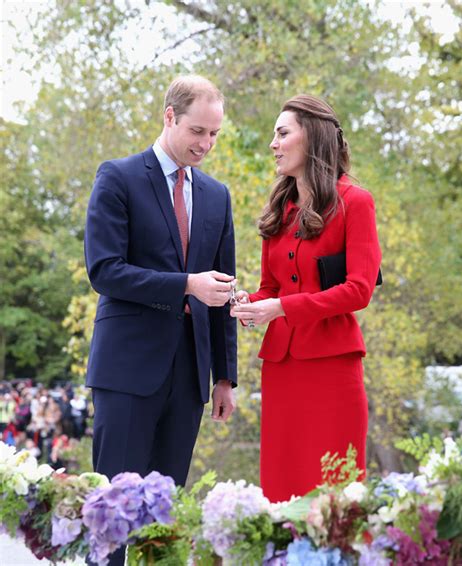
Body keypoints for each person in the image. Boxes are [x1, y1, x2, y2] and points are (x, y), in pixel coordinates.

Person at [84, 75, 237, 565]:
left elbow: (222, 287)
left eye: (214, 134)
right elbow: (104, 270)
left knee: (163, 524)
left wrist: (225, 377)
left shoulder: (218, 196)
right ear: (169, 116)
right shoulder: (118, 176)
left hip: (189, 378)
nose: (206, 144)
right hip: (127, 373)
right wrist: (185, 284)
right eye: (197, 131)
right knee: (110, 518)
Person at [231, 94, 381, 503]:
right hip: (282, 371)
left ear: (311, 137)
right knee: (282, 488)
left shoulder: (356, 202)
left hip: (333, 368)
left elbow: (358, 290)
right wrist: (250, 303)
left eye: (282, 133)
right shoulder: (279, 211)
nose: (272, 144)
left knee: (336, 493)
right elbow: (271, 289)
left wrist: (280, 308)